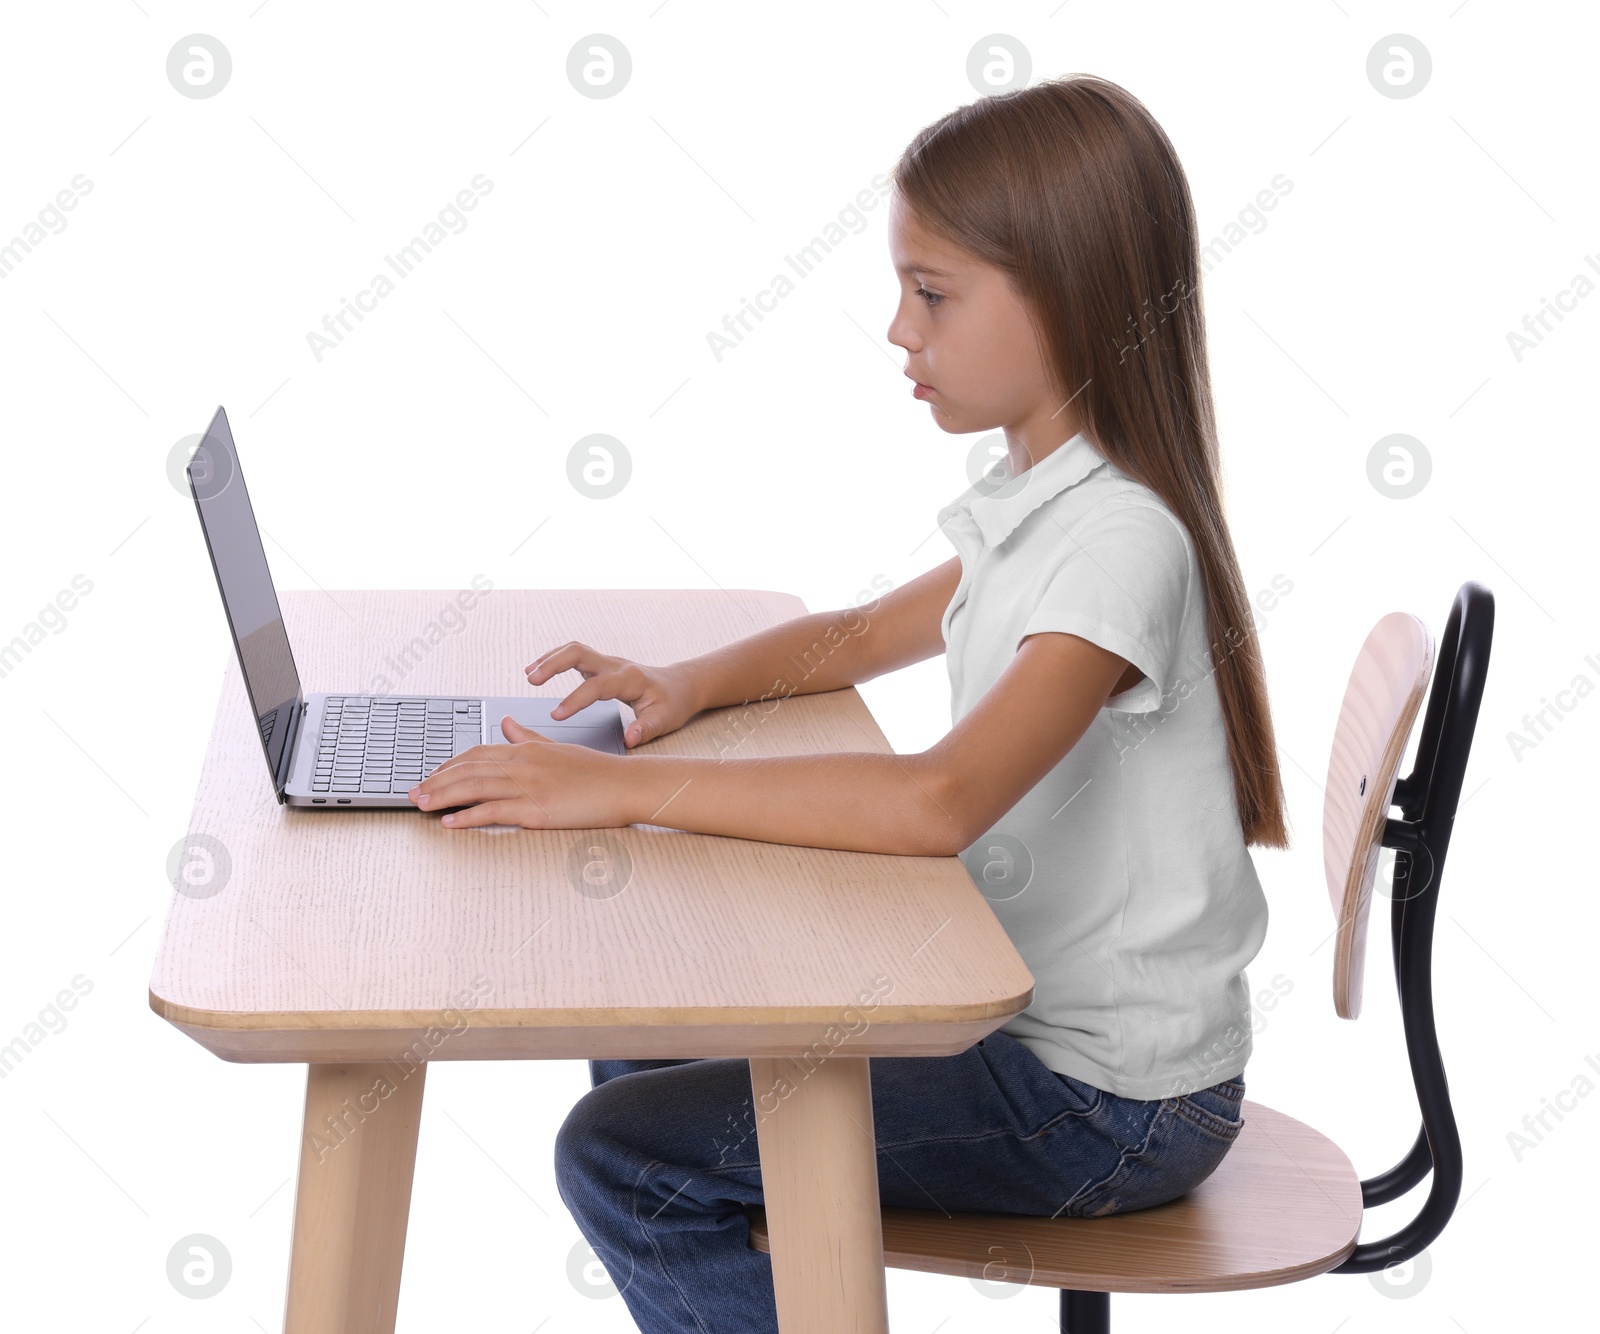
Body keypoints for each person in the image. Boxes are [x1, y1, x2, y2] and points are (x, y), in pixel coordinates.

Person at [409, 72, 1290, 1332]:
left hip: (1107, 1106)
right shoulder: (1046, 495)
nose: (897, 329)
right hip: (1035, 1035)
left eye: (931, 293)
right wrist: (687, 683)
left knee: (624, 1151)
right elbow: (871, 631)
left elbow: (936, 800)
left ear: (1072, 294)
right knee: (647, 1044)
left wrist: (611, 786)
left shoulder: (1117, 542)